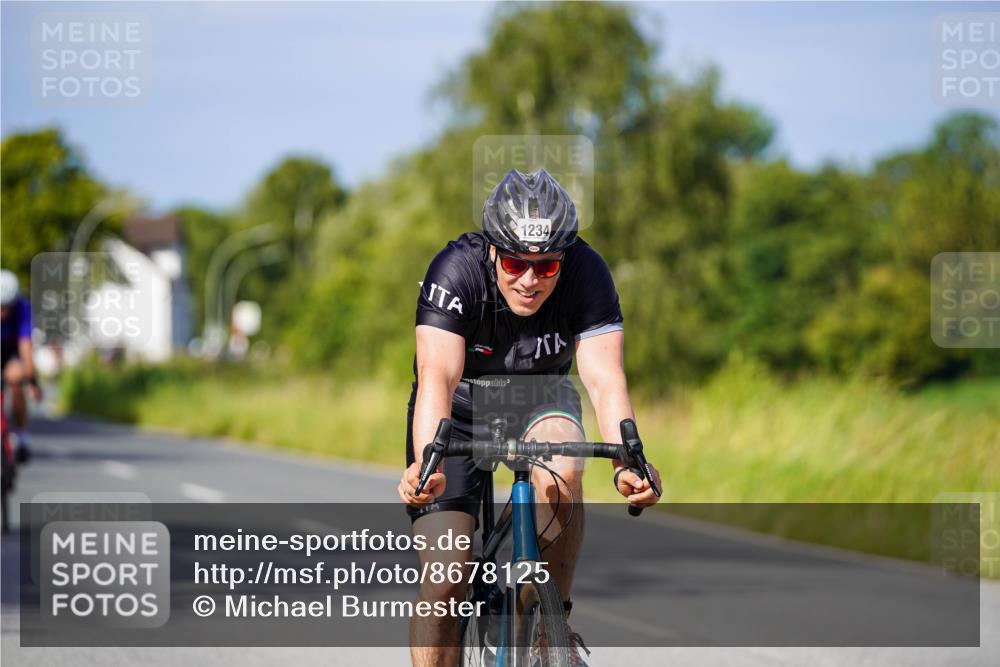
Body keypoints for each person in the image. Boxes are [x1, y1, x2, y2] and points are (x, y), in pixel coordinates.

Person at [398, 169, 663, 666]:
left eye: (546, 267)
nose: (529, 279)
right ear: (494, 250)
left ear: (564, 258)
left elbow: (605, 378)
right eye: (517, 262)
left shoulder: (588, 272)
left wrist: (629, 461)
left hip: (541, 397)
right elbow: (437, 376)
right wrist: (426, 465)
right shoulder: (456, 269)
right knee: (445, 575)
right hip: (458, 409)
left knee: (564, 472)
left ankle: (550, 622)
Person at [1, 269, 43, 462]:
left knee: (17, 378)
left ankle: (21, 436)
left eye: (7, 307)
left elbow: (26, 348)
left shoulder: (22, 308)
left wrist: (33, 382)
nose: (3, 312)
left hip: (11, 353)